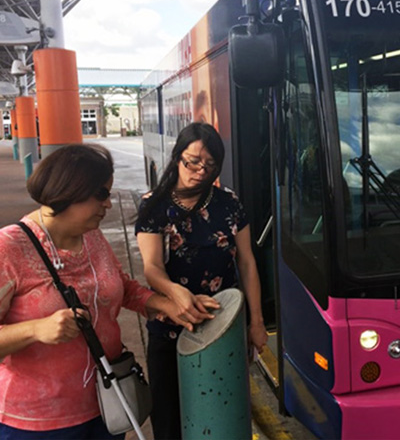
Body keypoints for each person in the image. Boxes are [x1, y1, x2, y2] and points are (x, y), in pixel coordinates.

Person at [0, 143, 214, 440]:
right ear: (69, 190)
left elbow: (123, 288)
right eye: (101, 194)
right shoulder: (9, 248)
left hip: (108, 405)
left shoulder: (92, 237)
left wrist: (170, 305)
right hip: (39, 423)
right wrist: (36, 329)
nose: (109, 205)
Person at [135, 122, 268, 440]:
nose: (199, 171)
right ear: (177, 156)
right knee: (169, 420)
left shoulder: (229, 203)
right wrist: (175, 292)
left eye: (209, 165)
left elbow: (247, 262)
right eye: (192, 161)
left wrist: (257, 322)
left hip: (222, 324)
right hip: (171, 323)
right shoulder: (155, 205)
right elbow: (152, 267)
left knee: (222, 411)